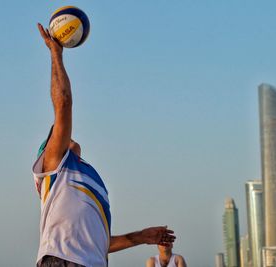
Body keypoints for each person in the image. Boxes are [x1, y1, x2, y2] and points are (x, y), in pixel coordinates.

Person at [32, 23, 176, 267]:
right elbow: (63, 103)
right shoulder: (56, 165)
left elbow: (98, 243)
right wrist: (56, 55)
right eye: (57, 135)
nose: (66, 136)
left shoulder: (92, 179)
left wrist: (141, 237)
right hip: (62, 261)